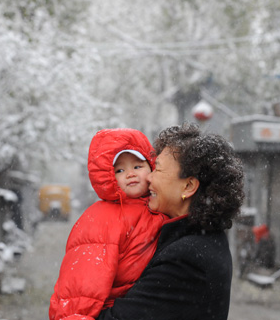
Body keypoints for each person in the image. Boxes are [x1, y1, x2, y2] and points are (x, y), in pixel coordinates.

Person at [98, 123, 245, 320]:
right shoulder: (203, 239)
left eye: (157, 169)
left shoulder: (187, 257)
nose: (148, 177)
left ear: (188, 186)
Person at [49, 128, 167, 320]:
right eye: (120, 170)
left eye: (137, 166)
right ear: (107, 176)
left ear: (151, 166)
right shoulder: (102, 217)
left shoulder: (159, 206)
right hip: (113, 310)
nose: (130, 174)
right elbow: (83, 281)